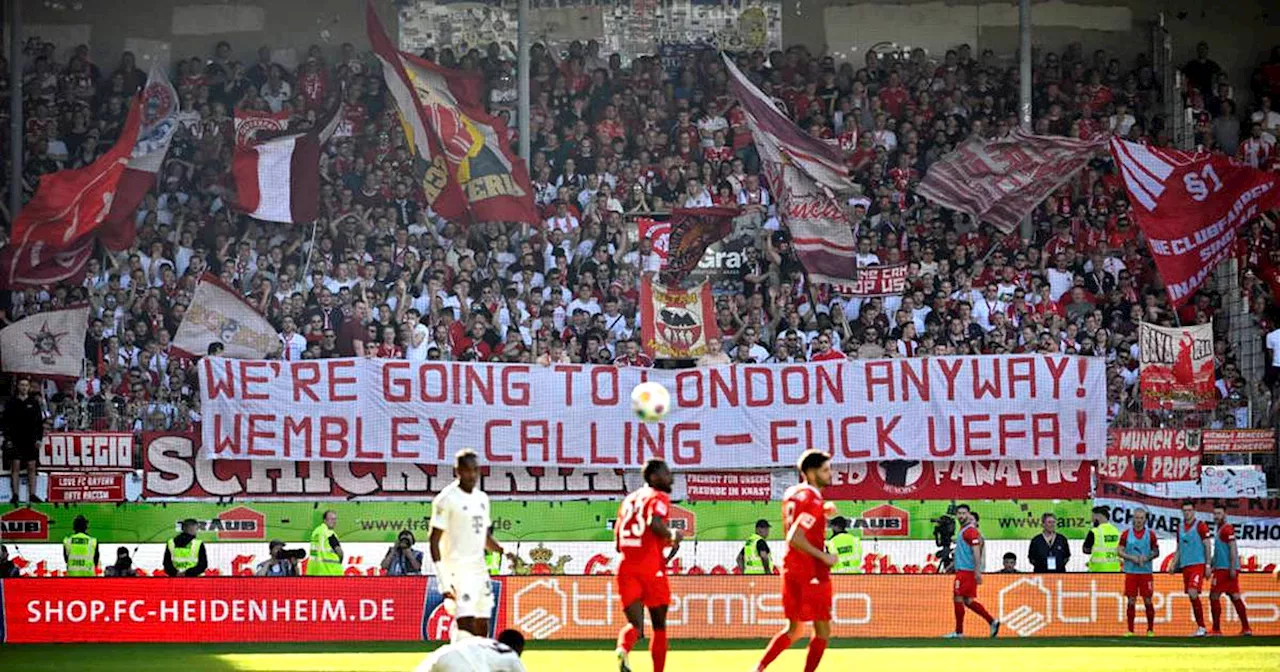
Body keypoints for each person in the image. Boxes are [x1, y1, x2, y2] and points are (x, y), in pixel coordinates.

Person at [753, 450, 836, 672]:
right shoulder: (813, 499)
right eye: (825, 470)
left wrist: (822, 513)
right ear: (810, 472)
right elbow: (796, 537)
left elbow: (800, 521)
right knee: (822, 631)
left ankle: (758, 668)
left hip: (791, 569)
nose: (830, 474)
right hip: (812, 572)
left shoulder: (792, 493)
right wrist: (825, 557)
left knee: (794, 629)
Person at [431, 450, 505, 640]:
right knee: (466, 622)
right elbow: (434, 540)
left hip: (479, 569)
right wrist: (444, 581)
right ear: (457, 471)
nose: (471, 475)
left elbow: (484, 537)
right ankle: (461, 660)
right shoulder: (446, 499)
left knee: (483, 621)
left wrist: (503, 550)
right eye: (466, 470)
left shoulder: (482, 499)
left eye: (475, 470)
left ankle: (479, 661)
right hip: (457, 569)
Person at [614, 459, 681, 672]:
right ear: (654, 477)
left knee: (635, 627)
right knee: (659, 627)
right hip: (650, 567)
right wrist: (671, 535)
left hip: (625, 566)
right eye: (666, 473)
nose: (671, 477)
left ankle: (623, 649)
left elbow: (617, 542)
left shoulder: (628, 500)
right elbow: (655, 523)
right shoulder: (658, 496)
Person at [946, 505, 1000, 638]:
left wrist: (977, 571)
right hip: (963, 570)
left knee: (958, 598)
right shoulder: (963, 530)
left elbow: (976, 551)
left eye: (964, 513)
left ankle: (959, 633)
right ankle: (992, 621)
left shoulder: (970, 531)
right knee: (968, 601)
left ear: (969, 515)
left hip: (966, 571)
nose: (961, 516)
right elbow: (964, 552)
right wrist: (953, 564)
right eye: (959, 513)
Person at [1168, 500, 1212, 636]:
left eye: (1189, 510)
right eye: (1185, 511)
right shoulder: (1180, 527)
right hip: (1185, 565)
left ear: (1194, 511)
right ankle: (1201, 627)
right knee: (1191, 596)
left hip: (1197, 565)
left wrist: (1208, 565)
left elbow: (1207, 545)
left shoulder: (1201, 526)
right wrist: (1173, 563)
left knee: (1193, 592)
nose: (1187, 513)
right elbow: (1179, 548)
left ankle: (1202, 627)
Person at [1208, 504, 1252, 636]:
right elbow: (1219, 551)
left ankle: (1216, 630)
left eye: (1219, 513)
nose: (1216, 516)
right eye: (1215, 514)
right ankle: (1246, 628)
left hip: (1225, 569)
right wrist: (1211, 565)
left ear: (1225, 515)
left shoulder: (1227, 529)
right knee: (1234, 596)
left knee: (1214, 596)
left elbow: (1233, 548)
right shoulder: (1219, 529)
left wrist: (1232, 567)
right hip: (1223, 568)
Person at [1117, 508, 1159, 637]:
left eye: (1141, 518)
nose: (1138, 521)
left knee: (1147, 600)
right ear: (1133, 519)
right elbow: (1119, 551)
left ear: (1145, 519)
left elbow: (1156, 552)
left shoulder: (1150, 534)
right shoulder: (1125, 534)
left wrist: (1146, 558)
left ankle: (1150, 629)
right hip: (1131, 571)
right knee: (1131, 600)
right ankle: (1130, 630)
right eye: (1136, 518)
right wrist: (1131, 558)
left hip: (1146, 572)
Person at [4, 378, 45, 505]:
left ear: (29, 387)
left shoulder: (34, 402)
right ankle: (15, 495)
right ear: (18, 386)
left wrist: (39, 439)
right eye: (22, 385)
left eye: (26, 385)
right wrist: (8, 439)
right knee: (15, 467)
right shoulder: (11, 402)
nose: (24, 387)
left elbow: (39, 423)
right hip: (15, 439)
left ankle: (32, 494)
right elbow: (6, 422)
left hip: (31, 440)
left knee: (32, 467)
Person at [415, 628, 527, 672]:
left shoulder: (485, 643)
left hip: (441, 654)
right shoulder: (513, 657)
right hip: (463, 666)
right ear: (518, 649)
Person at [1082, 505, 1120, 572]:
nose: (1091, 520)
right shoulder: (1116, 531)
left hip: (1098, 570)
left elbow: (1086, 550)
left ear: (1098, 516)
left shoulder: (1094, 532)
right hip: (1115, 570)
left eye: (1092, 516)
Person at [307, 510, 344, 575]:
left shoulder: (316, 532)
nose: (334, 522)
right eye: (332, 519)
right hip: (330, 572)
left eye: (335, 519)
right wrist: (339, 561)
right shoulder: (329, 533)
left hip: (315, 572)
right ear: (325, 520)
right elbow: (340, 552)